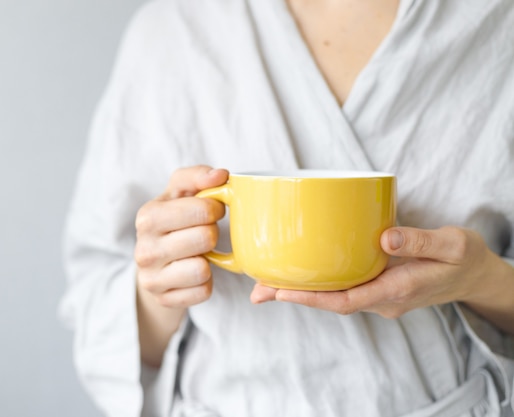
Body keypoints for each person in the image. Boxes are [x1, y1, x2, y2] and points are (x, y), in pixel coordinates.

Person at [59, 0, 514, 415]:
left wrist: (484, 279)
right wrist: (160, 288)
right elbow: (103, 315)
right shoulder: (174, 31)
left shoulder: (497, 23)